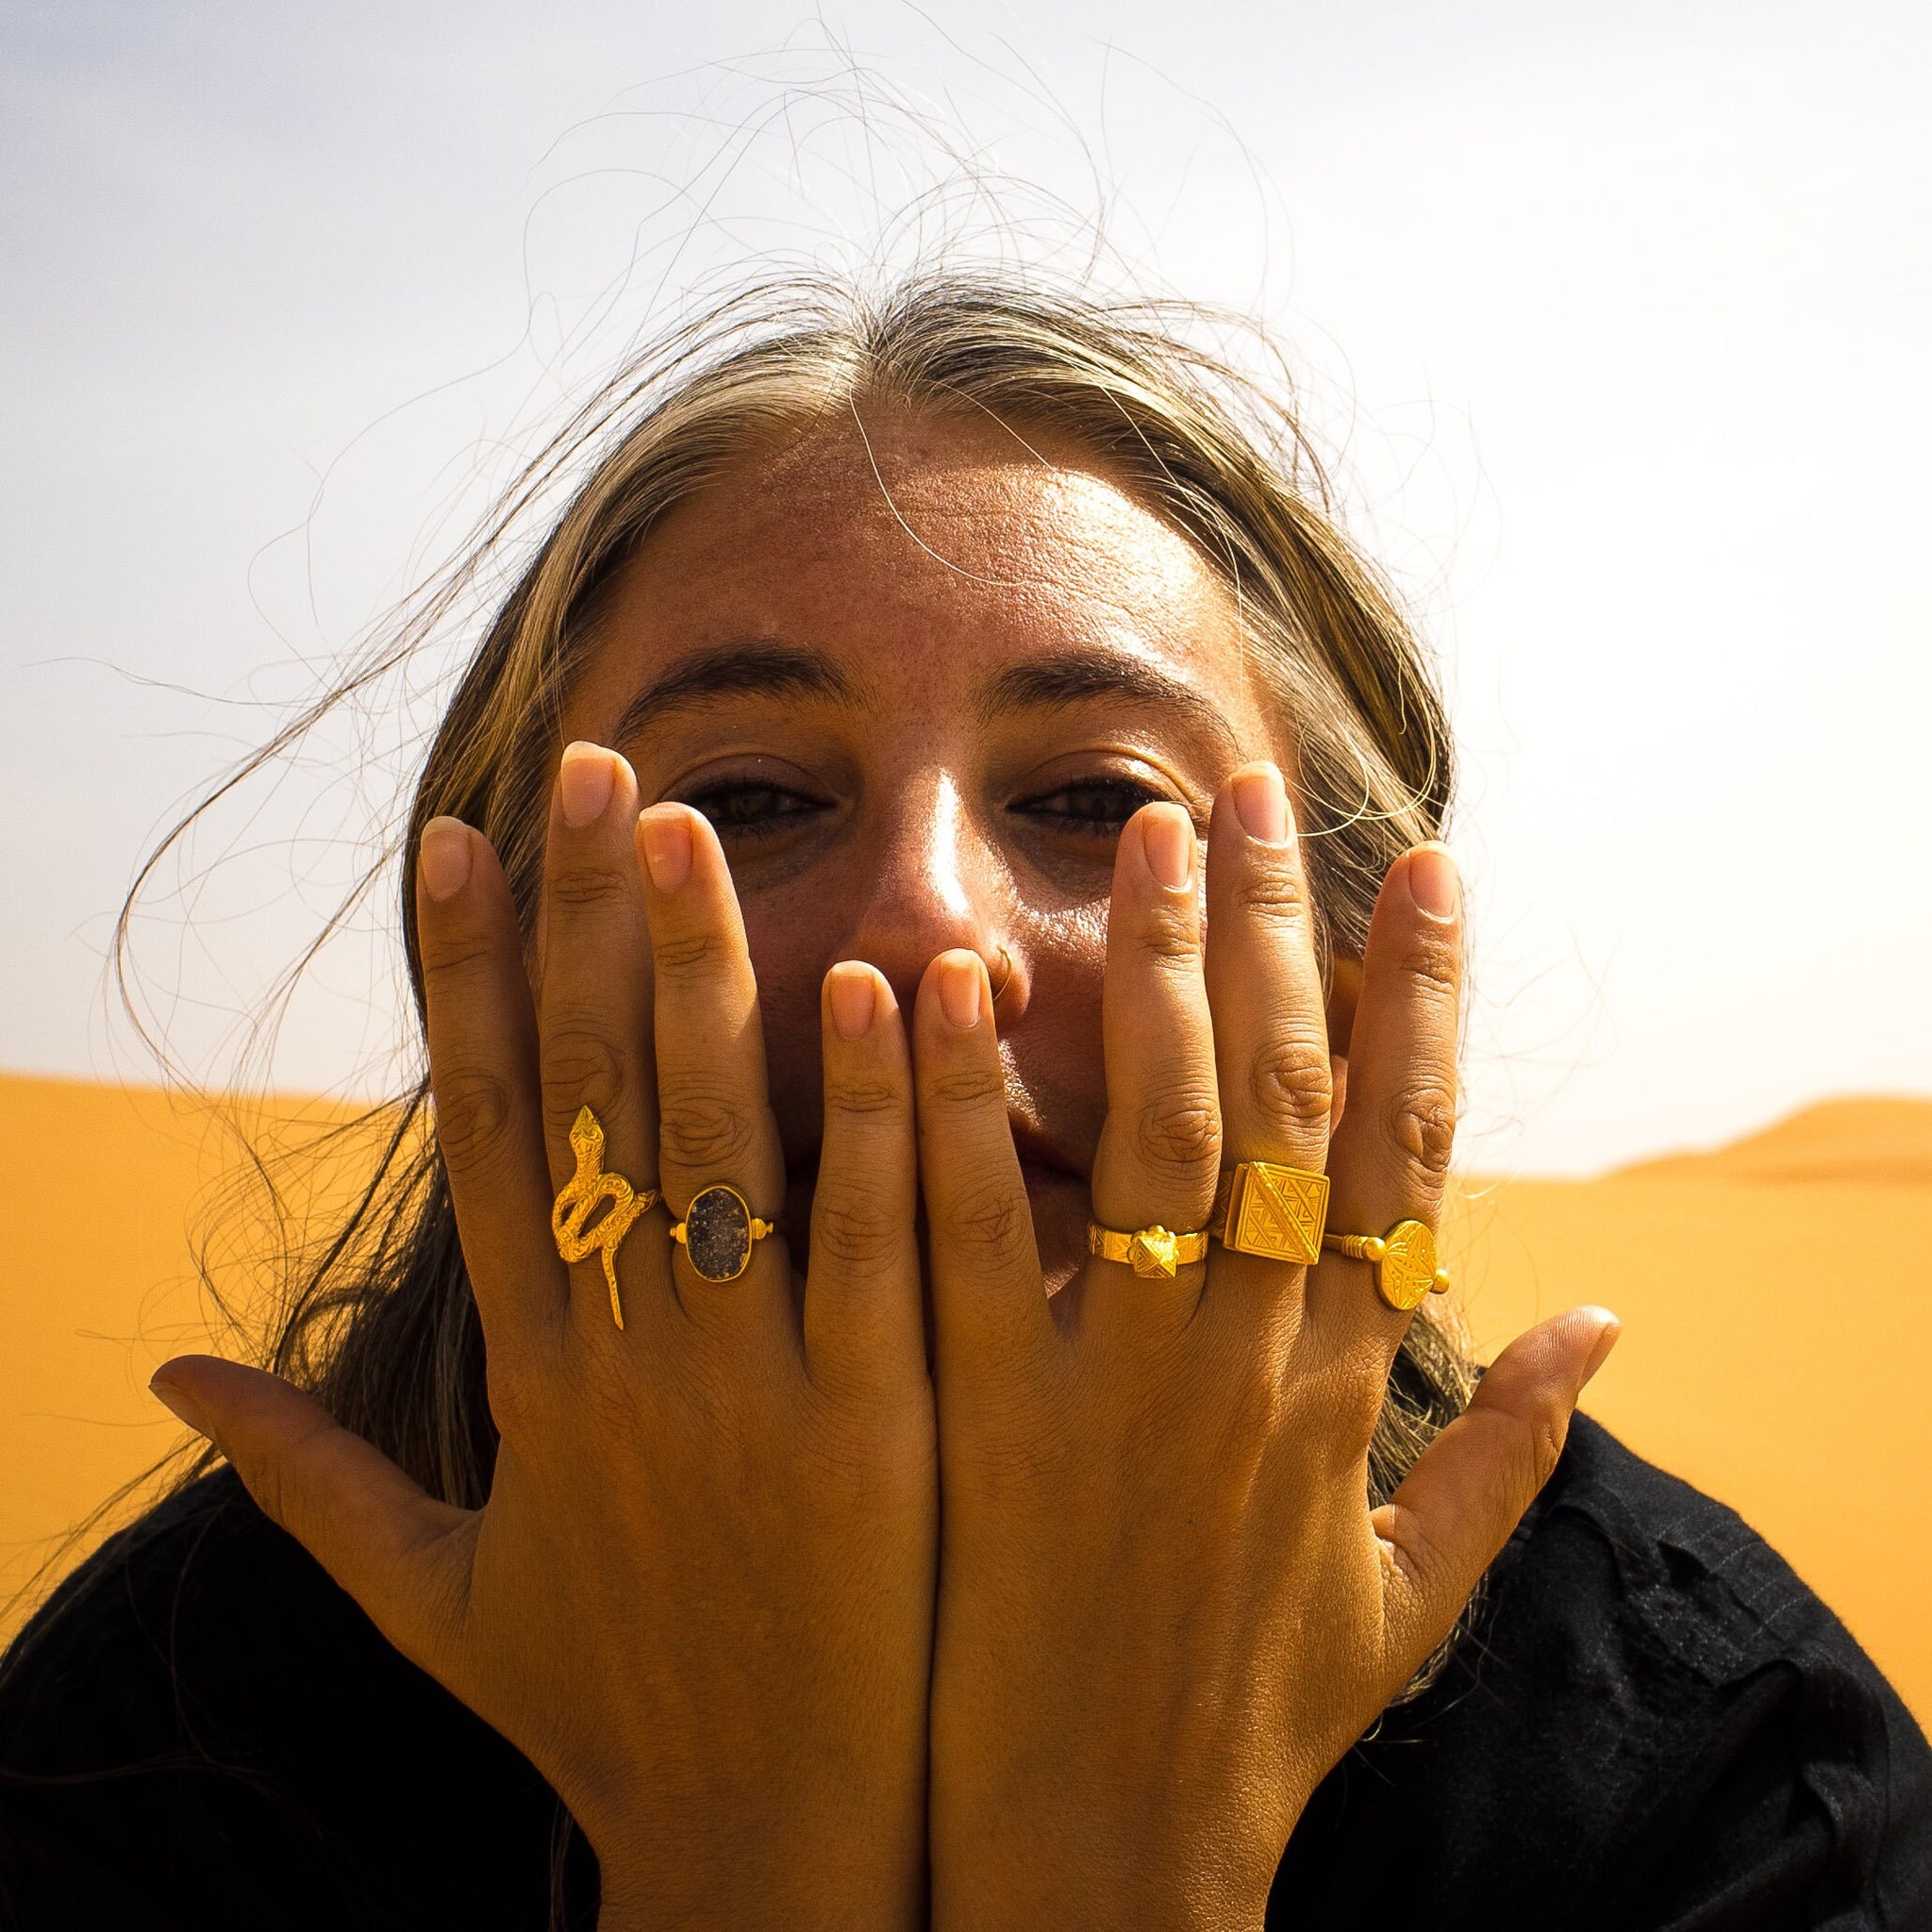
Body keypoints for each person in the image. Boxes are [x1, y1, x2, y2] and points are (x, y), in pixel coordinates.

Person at [0, 275, 1924, 1932]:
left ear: (1346, 987)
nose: (929, 929)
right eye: (748, 797)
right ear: (500, 968)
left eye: (1092, 800)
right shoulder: (159, 1749)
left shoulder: (1726, 1781)